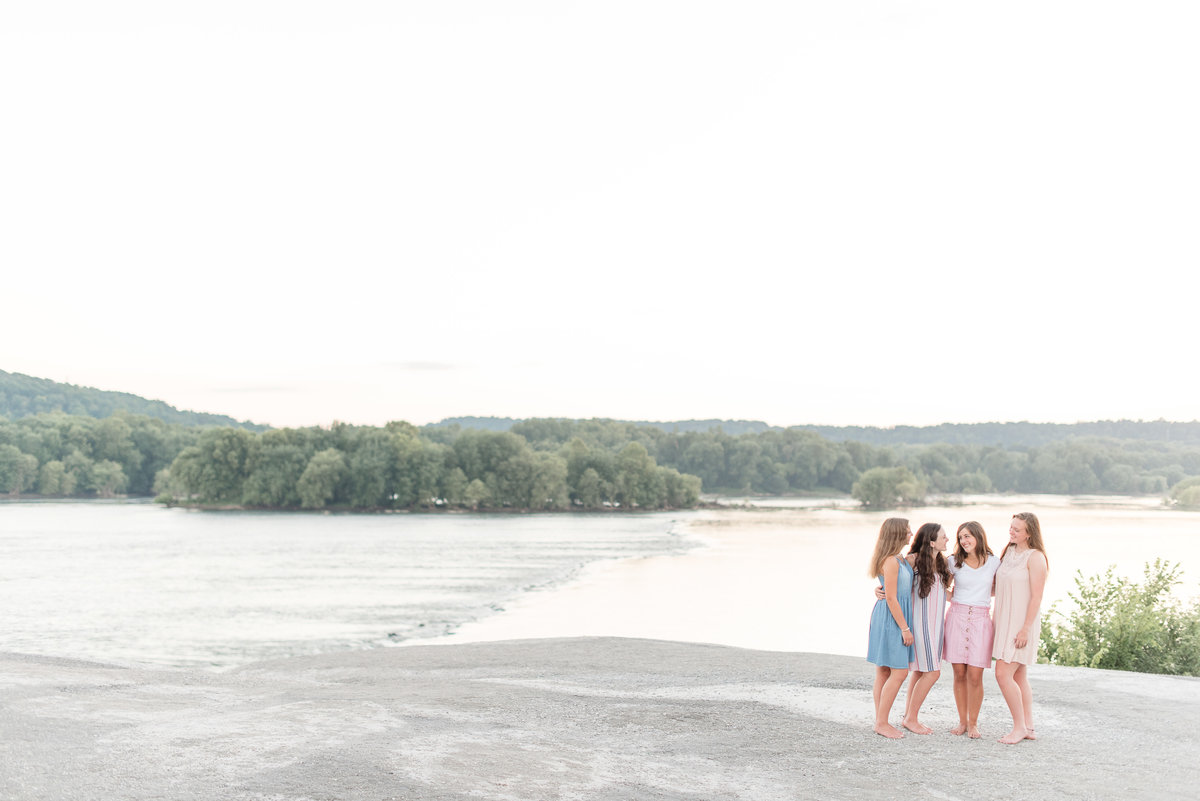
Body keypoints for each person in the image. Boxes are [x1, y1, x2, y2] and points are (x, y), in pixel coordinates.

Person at [992, 512, 1049, 745]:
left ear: (1029, 533)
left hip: (1021, 625)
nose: (1011, 532)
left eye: (1017, 530)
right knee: (1019, 675)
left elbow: (1037, 597)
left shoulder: (1035, 558)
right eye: (1011, 527)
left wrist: (1025, 629)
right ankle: (1029, 725)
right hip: (1004, 621)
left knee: (1002, 674)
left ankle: (1019, 728)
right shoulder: (1008, 552)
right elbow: (998, 588)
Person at [943, 521, 1000, 738]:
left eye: (967, 536)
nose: (964, 541)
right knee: (959, 673)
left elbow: (998, 588)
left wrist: (981, 597)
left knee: (975, 675)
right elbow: (942, 587)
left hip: (981, 620)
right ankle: (962, 722)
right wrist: (956, 600)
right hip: (956, 617)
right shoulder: (953, 562)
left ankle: (974, 723)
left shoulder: (994, 562)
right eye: (960, 537)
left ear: (978, 536)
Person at [897, 522, 950, 735]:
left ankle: (908, 715)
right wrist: (879, 590)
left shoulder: (943, 563)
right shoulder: (912, 561)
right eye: (944, 537)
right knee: (932, 673)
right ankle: (911, 718)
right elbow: (892, 583)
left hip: (936, 626)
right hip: (920, 626)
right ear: (931, 541)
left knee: (920, 671)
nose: (948, 540)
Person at [866, 517, 915, 738]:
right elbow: (893, 598)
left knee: (885, 670)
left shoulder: (900, 559)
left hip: (890, 613)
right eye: (907, 531)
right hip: (891, 618)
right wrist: (905, 628)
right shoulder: (891, 561)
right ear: (896, 534)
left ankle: (880, 719)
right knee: (899, 671)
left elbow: (890, 589)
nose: (911, 534)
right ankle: (882, 722)